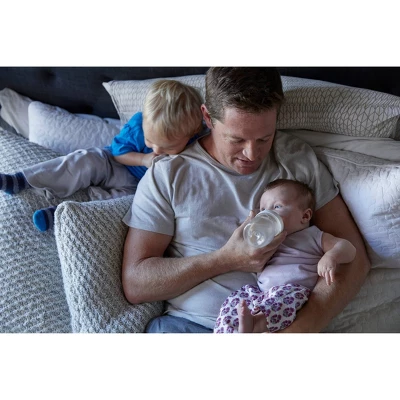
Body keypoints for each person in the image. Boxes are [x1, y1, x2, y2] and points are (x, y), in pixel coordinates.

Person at [121, 67, 371, 333]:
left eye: (264, 138)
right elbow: (136, 283)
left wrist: (298, 331)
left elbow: (355, 259)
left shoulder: (297, 160)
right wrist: (226, 259)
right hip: (191, 326)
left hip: (282, 326)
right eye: (236, 139)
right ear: (207, 117)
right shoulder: (169, 174)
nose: (252, 154)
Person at [0, 79, 204, 231]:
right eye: (150, 141)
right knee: (83, 160)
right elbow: (118, 153)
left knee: (118, 206)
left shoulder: (196, 142)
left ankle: (61, 215)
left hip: (139, 188)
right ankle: (23, 179)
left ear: (192, 133)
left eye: (167, 147)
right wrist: (143, 159)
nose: (157, 151)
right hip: (117, 163)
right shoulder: (139, 124)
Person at [214, 178, 356, 333]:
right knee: (236, 300)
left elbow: (348, 248)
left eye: (277, 207)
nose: (266, 214)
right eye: (262, 210)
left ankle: (256, 324)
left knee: (284, 301)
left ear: (305, 216)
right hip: (262, 293)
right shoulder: (267, 241)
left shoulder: (313, 235)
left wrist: (331, 256)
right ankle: (228, 330)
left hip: (293, 291)